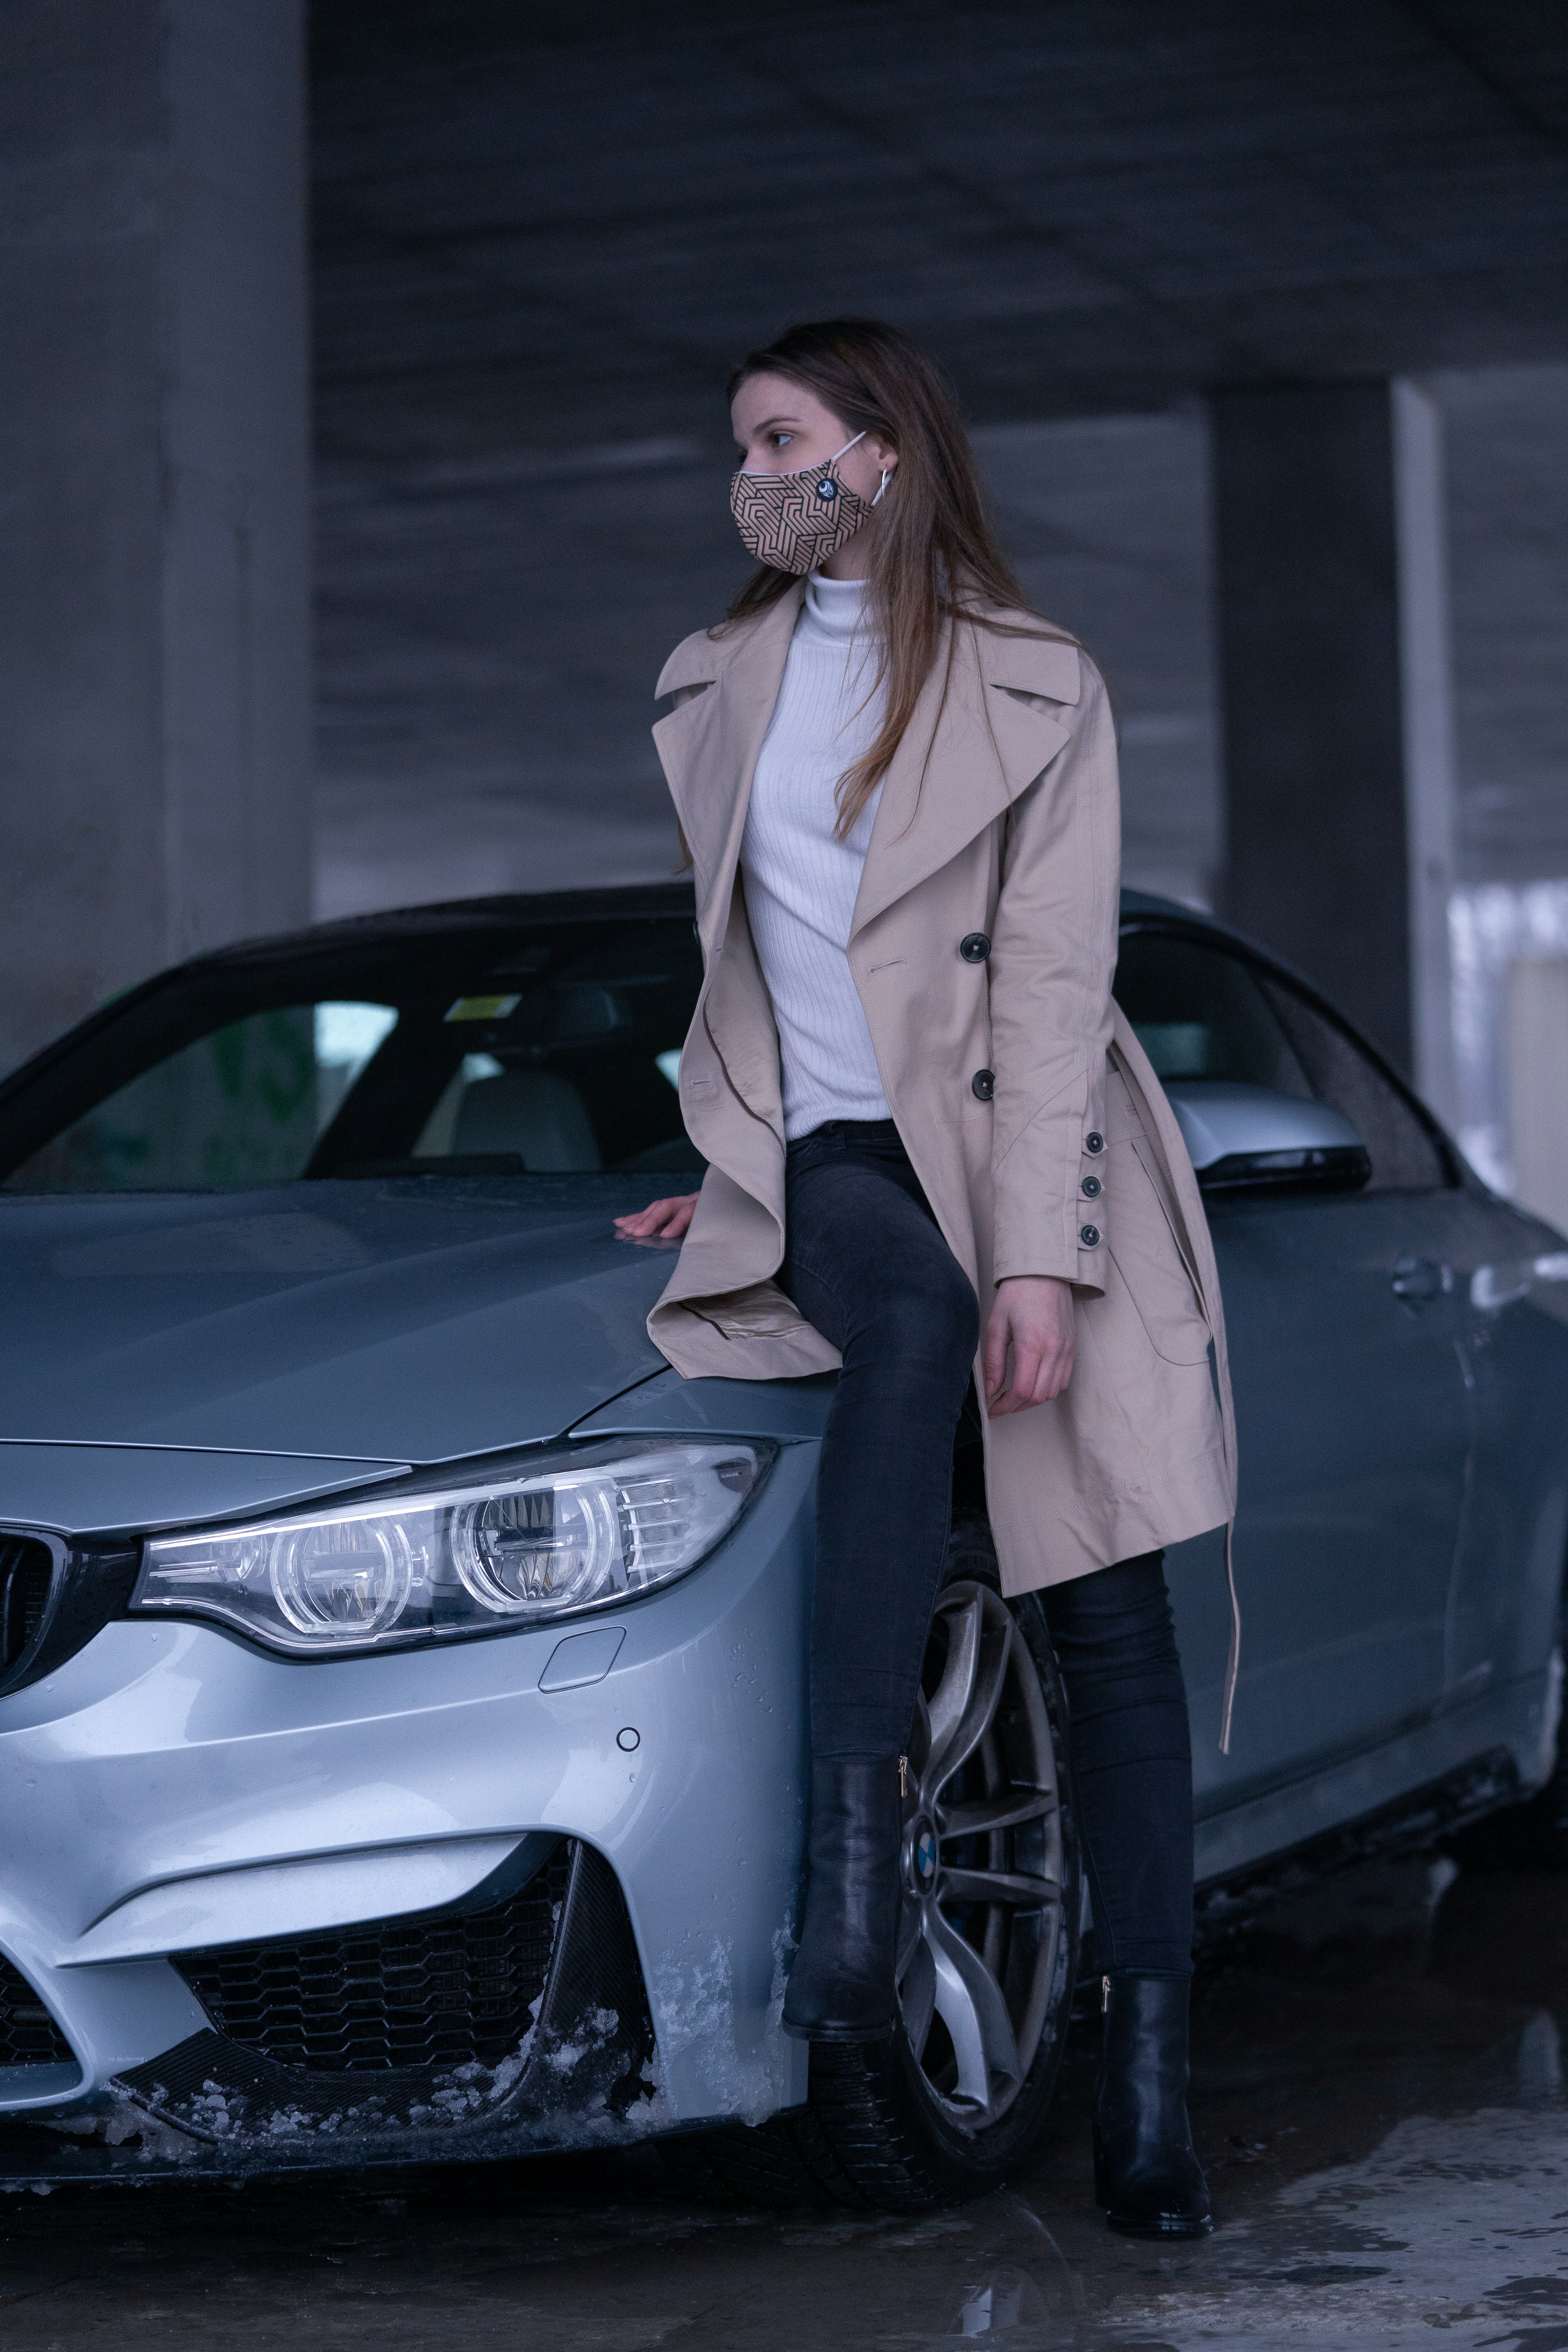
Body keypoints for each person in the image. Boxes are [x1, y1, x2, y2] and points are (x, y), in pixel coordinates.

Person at [613, 319, 1237, 2239]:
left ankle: (1147, 2086)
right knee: (909, 1316)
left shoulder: (1035, 682)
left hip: (1026, 1155)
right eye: (741, 446)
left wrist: (1041, 1253)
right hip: (842, 1160)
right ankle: (854, 1870)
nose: (751, 476)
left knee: (1107, 1609)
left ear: (880, 453)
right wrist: (727, 1160)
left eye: (779, 439)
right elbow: (743, 975)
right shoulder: (719, 679)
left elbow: (1050, 982)